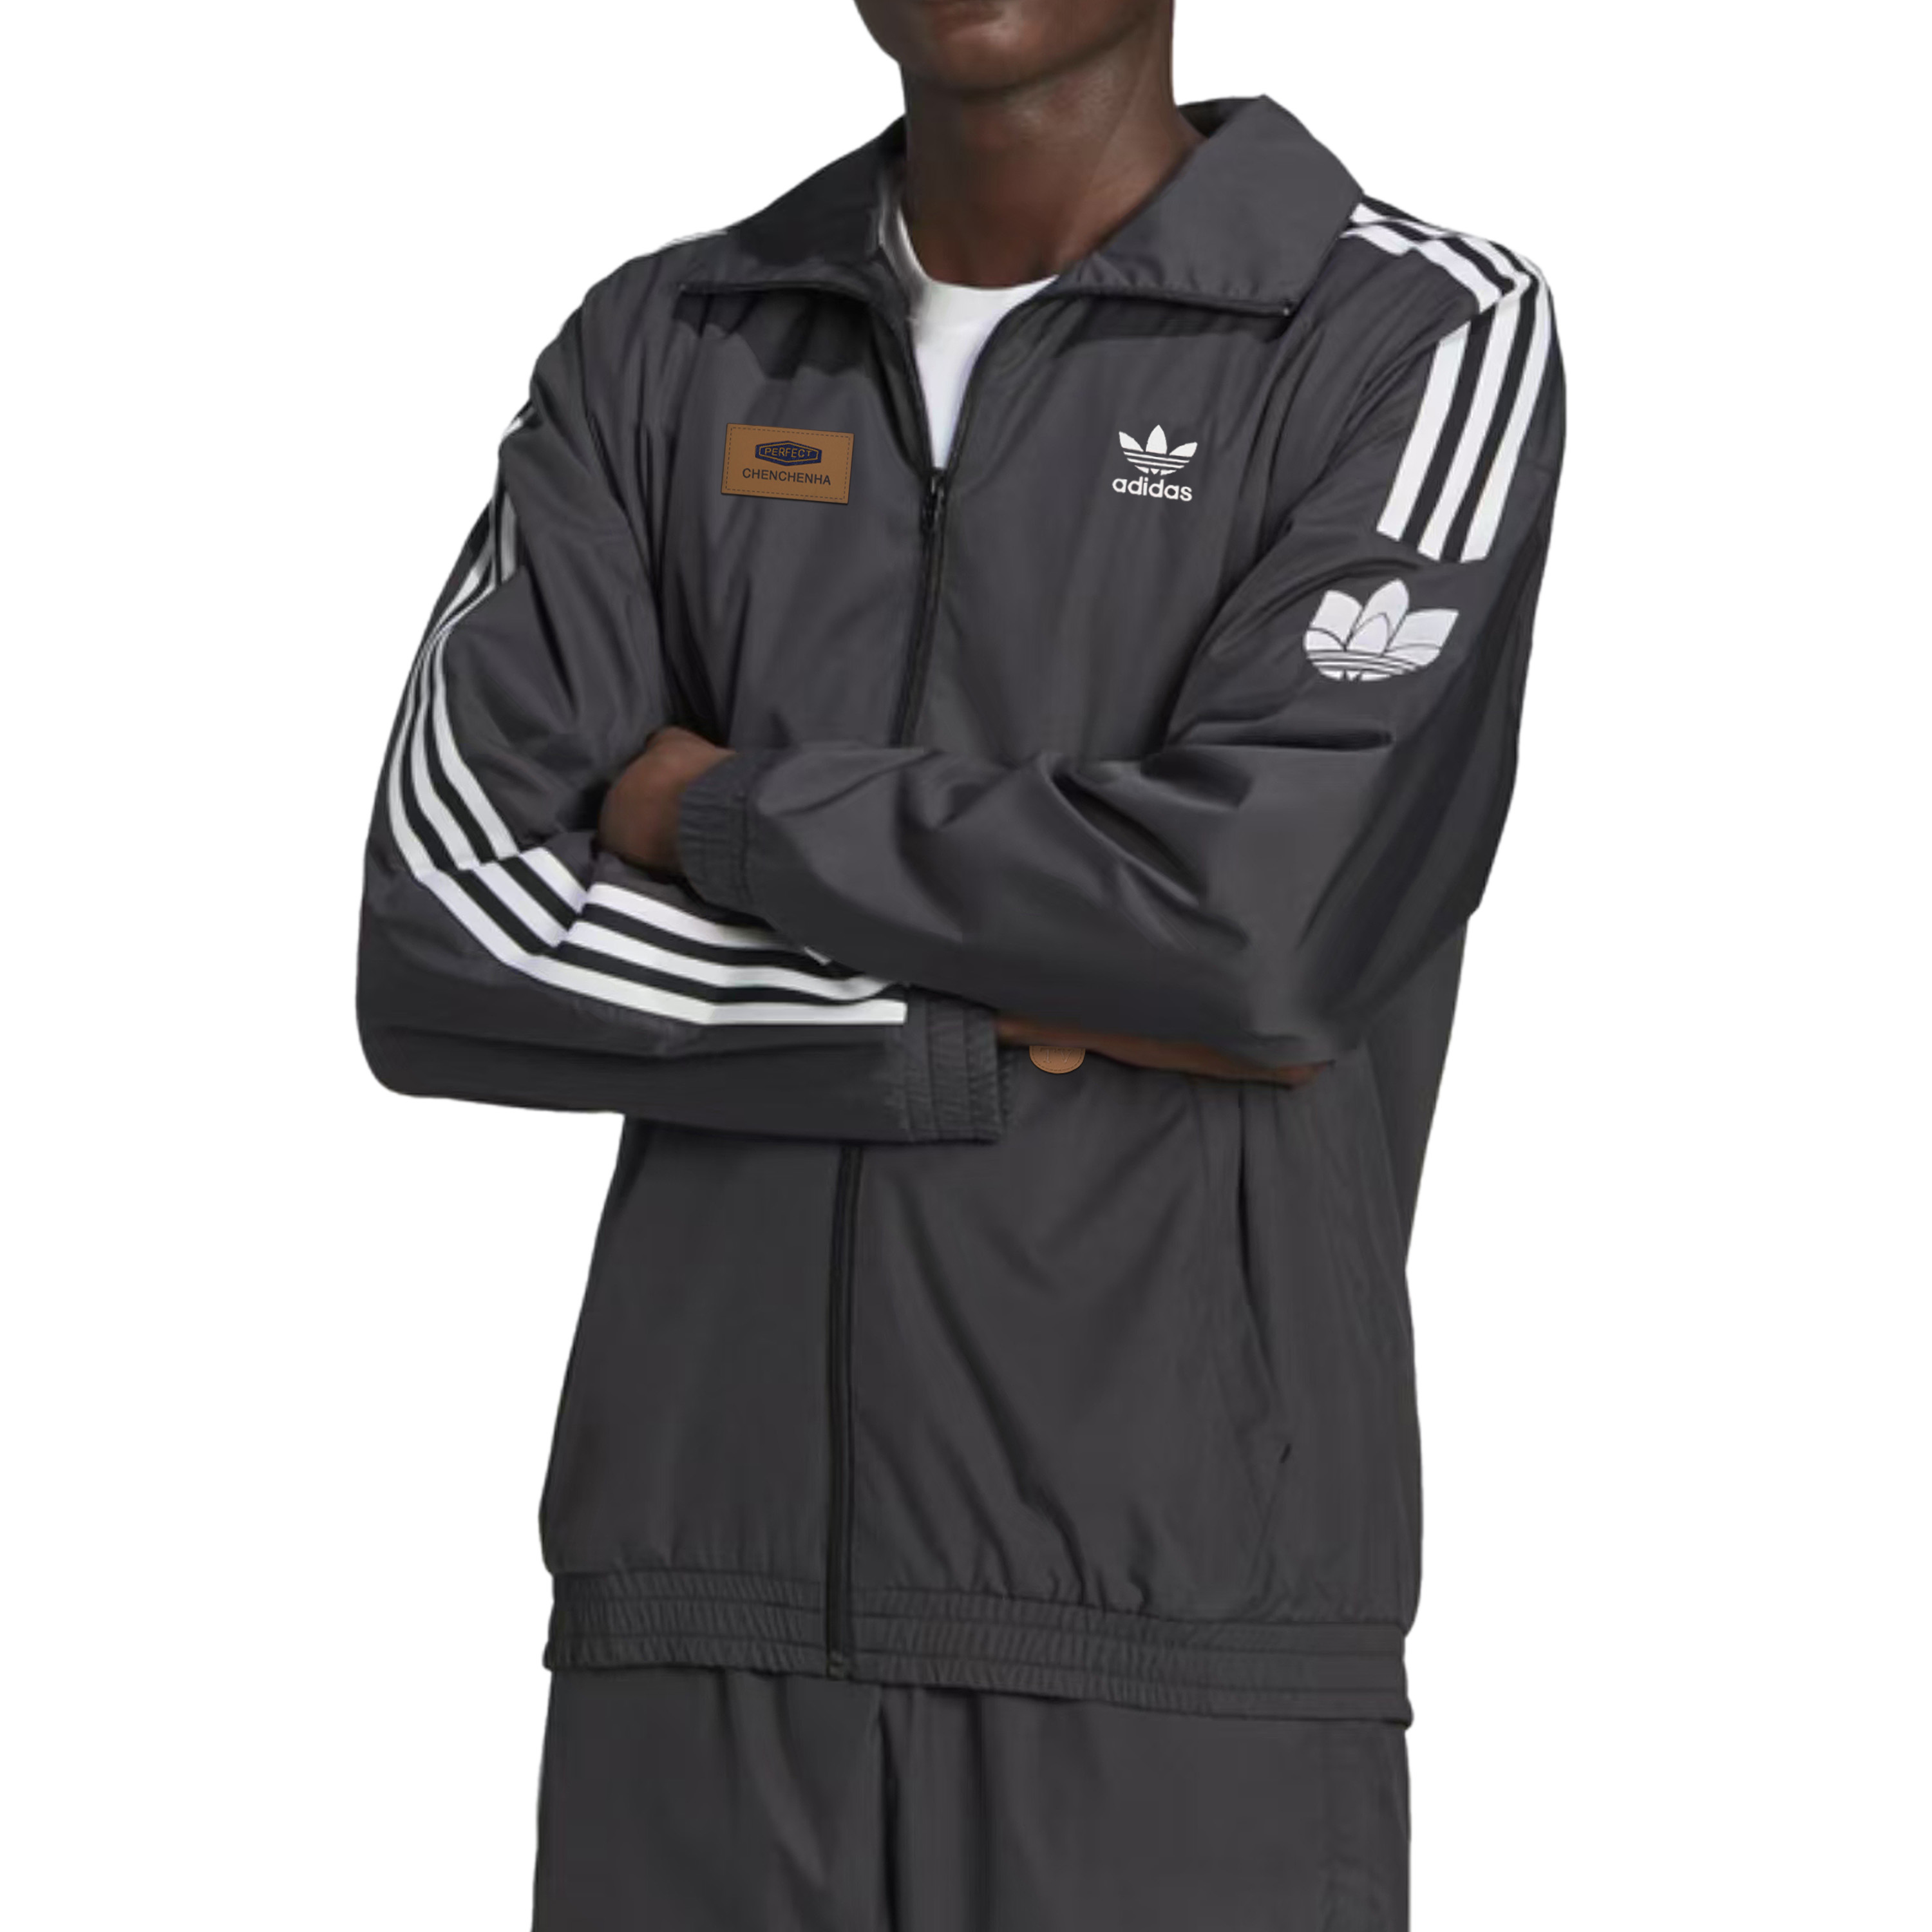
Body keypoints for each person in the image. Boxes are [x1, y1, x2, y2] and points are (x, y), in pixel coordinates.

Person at [356, 0, 1566, 1923]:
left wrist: (721, 810)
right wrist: (960, 1022)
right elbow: (451, 922)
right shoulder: (670, 343)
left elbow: (1264, 924)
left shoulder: (1402, 329)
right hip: (698, 1620)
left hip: (1177, 1636)